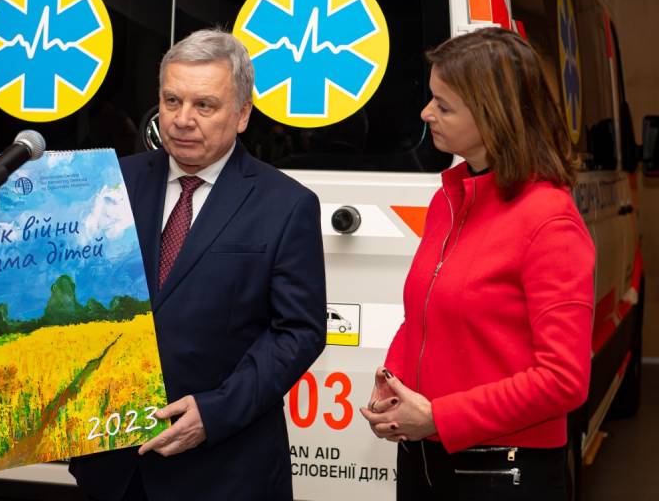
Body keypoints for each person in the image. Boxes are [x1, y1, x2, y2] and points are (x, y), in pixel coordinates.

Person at [69, 29, 326, 501]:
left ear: (242, 114)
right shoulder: (109, 185)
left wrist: (215, 412)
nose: (183, 120)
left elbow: (298, 332)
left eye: (204, 105)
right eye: (172, 101)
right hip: (112, 469)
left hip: (224, 470)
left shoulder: (286, 205)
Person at [360, 27, 595, 500]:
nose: (427, 114)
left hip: (502, 470)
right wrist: (393, 380)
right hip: (425, 456)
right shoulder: (449, 200)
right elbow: (424, 314)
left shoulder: (549, 220)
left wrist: (439, 417)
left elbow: (563, 380)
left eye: (444, 106)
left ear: (495, 116)